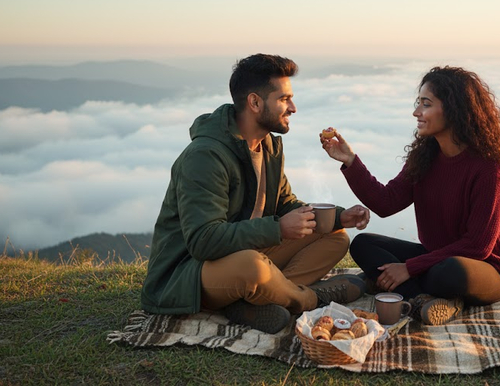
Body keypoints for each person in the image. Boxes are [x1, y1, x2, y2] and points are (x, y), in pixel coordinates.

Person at [141, 54, 369, 334]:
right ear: (255, 102)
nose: (293, 108)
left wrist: (337, 217)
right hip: (190, 273)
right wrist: (278, 228)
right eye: (284, 99)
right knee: (253, 267)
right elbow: (203, 241)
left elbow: (285, 204)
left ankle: (257, 301)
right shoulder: (205, 157)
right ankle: (310, 298)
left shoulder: (269, 147)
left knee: (333, 237)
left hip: (247, 254)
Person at [320, 66, 500, 326]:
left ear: (453, 109)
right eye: (418, 103)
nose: (416, 112)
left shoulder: (487, 169)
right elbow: (386, 202)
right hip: (436, 256)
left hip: (486, 269)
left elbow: (478, 246)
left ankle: (389, 286)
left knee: (448, 272)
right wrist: (349, 160)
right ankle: (423, 301)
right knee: (363, 244)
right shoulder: (425, 157)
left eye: (425, 104)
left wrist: (409, 267)